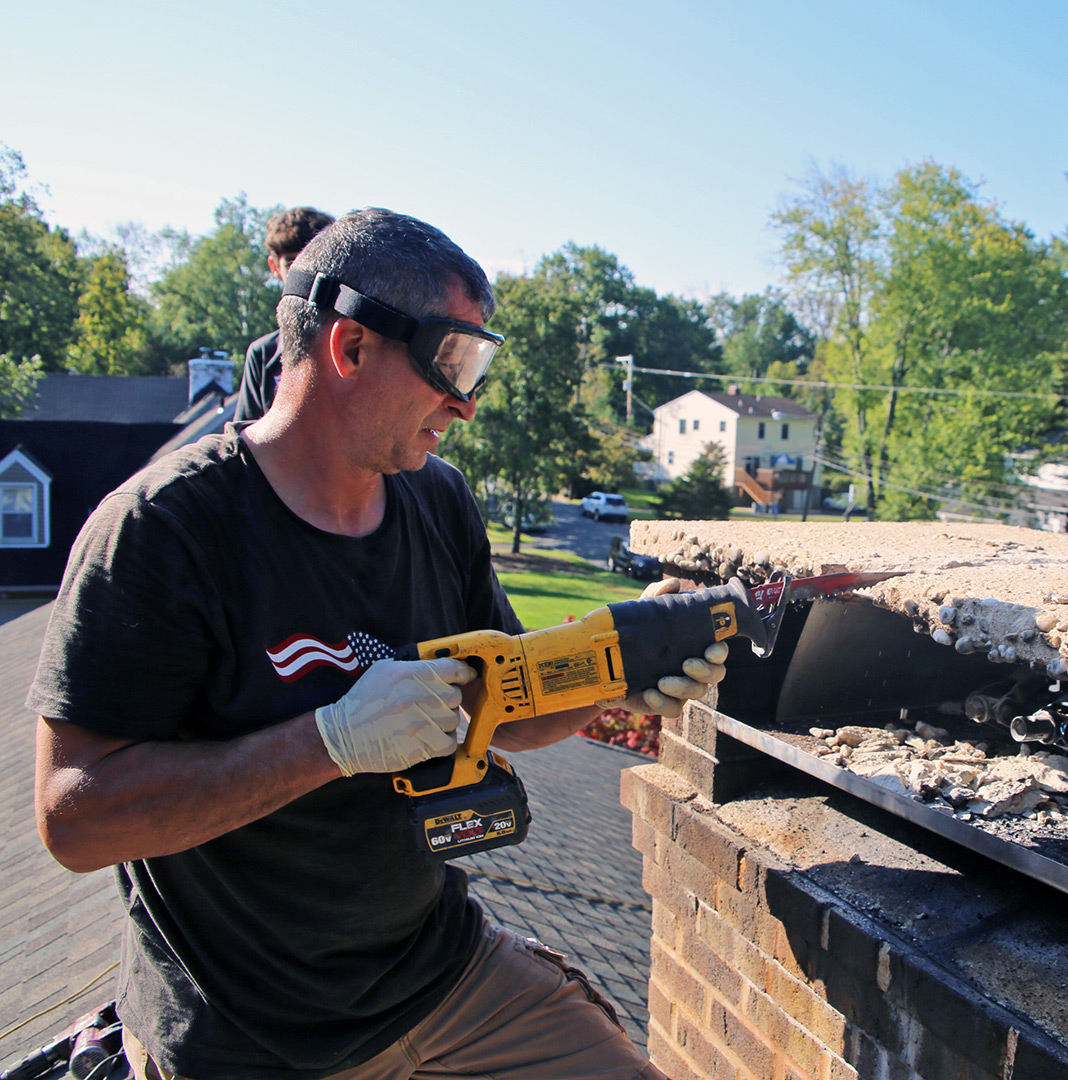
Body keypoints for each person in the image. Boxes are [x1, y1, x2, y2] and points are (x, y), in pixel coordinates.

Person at [30, 208, 729, 1080]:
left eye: (479, 368)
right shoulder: (165, 529)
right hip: (246, 1031)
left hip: (438, 977)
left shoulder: (436, 501)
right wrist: (330, 742)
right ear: (350, 347)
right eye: (450, 362)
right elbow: (74, 818)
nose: (467, 404)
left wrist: (620, 667)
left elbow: (503, 708)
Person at [234, 206, 335, 422]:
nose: (304, 274)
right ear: (273, 265)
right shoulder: (263, 355)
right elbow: (248, 438)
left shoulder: (358, 346)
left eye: (312, 263)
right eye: (292, 263)